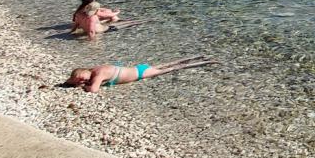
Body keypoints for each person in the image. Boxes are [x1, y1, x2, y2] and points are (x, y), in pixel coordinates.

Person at [61, 57, 215, 93]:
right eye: (80, 80)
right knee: (169, 64)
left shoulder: (99, 74)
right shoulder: (94, 69)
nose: (82, 80)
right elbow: (76, 76)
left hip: (140, 73)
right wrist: (74, 80)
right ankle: (197, 57)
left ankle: (201, 62)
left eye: (82, 78)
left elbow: (94, 90)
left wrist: (82, 86)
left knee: (171, 69)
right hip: (138, 68)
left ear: (84, 71)